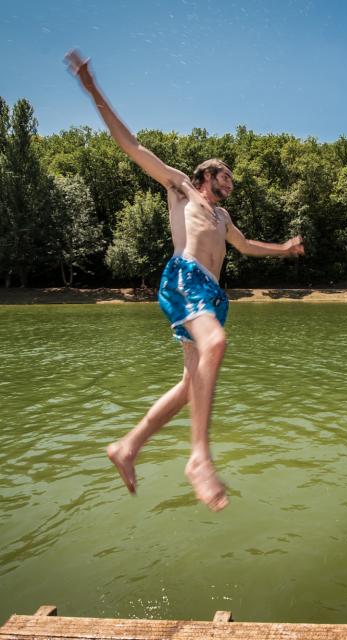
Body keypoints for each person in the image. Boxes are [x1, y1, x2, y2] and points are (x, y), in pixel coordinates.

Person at [65, 50, 304, 511]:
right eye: (225, 175)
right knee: (215, 347)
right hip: (185, 277)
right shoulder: (181, 189)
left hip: (212, 294)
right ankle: (198, 457)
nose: (231, 181)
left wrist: (285, 249)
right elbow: (131, 146)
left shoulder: (222, 215)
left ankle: (127, 447)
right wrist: (93, 88)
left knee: (191, 383)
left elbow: (247, 245)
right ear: (206, 175)